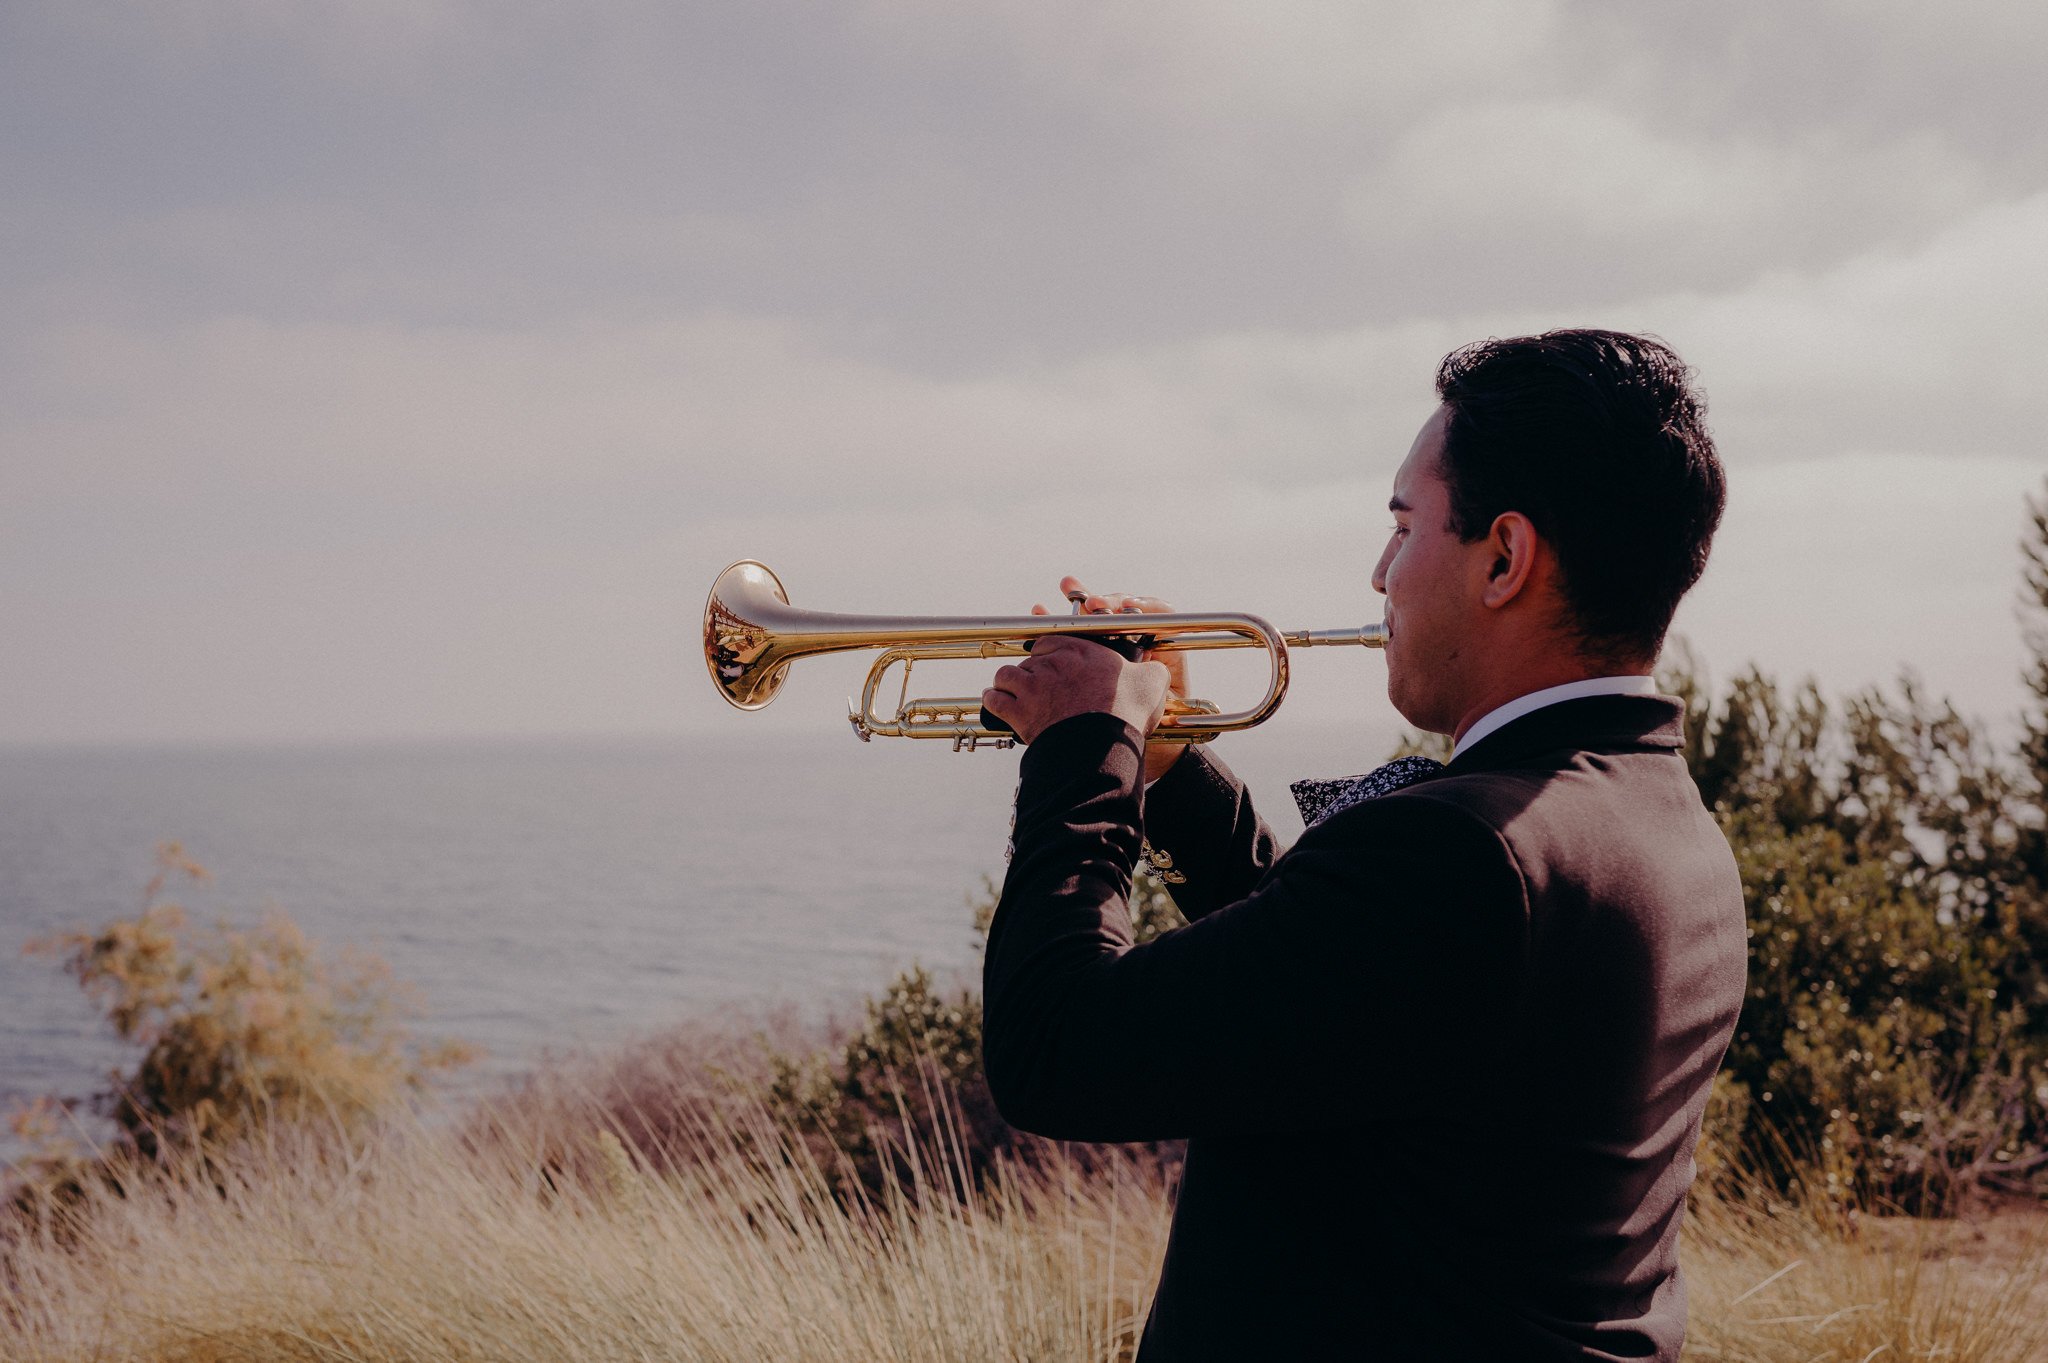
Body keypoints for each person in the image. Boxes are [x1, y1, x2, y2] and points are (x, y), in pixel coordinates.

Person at [978, 329, 1747, 1361]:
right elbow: (1329, 983)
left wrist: (1082, 746)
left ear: (1504, 557)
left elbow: (1051, 1049)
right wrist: (1164, 769)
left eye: (1401, 526)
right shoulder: (1660, 821)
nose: (1378, 571)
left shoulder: (1463, 852)